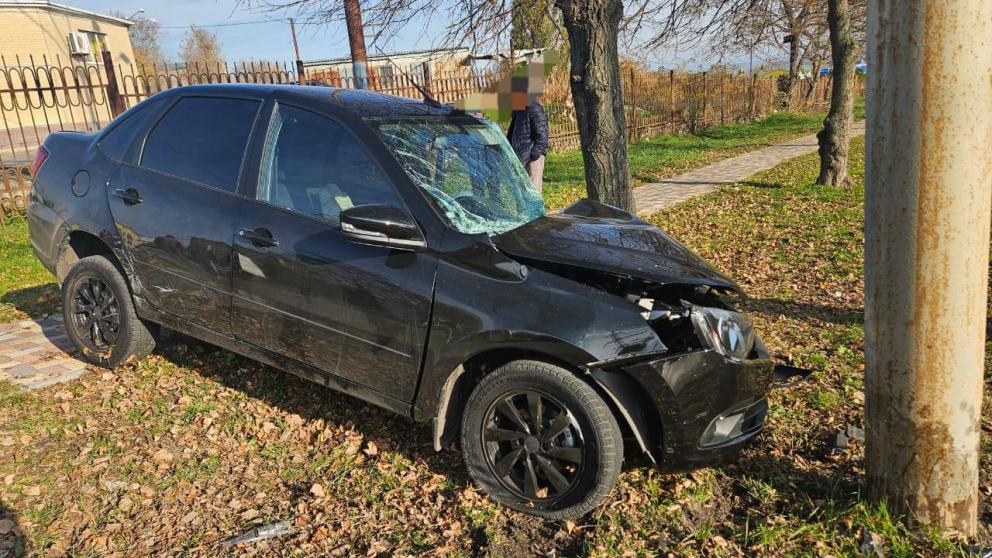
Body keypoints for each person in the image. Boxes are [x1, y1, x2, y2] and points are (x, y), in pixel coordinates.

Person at [507, 100, 549, 193]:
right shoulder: (518, 109)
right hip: (521, 158)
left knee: (534, 192)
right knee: (524, 194)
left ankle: (536, 208)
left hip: (532, 160)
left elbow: (542, 136)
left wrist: (533, 155)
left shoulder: (534, 107)